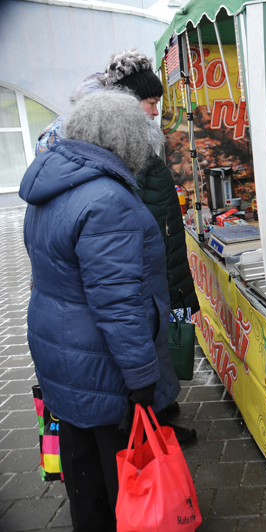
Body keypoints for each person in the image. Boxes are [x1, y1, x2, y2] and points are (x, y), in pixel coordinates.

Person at [19, 90, 180, 531]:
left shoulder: (53, 181)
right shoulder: (107, 199)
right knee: (120, 475)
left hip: (59, 346)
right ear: (128, 142)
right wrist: (143, 376)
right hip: (100, 358)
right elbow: (119, 304)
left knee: (80, 461)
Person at [104, 50, 201, 317]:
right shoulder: (130, 155)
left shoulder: (140, 151)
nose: (156, 112)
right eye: (151, 103)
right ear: (129, 103)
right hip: (153, 294)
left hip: (162, 285)